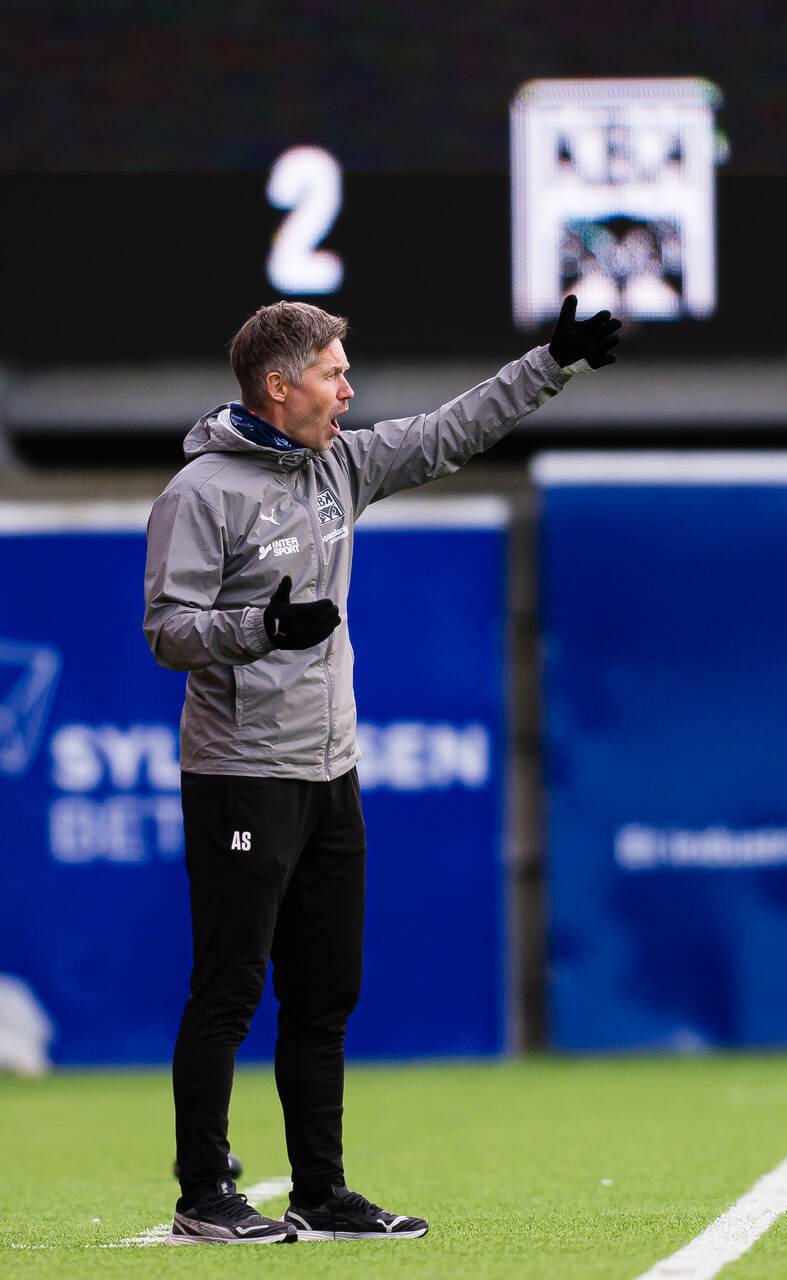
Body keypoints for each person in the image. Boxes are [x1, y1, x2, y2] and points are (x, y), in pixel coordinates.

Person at [143, 297, 620, 1244]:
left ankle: (320, 1193)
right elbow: (166, 631)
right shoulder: (199, 494)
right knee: (230, 987)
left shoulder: (340, 464)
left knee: (325, 994)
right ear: (279, 387)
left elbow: (450, 431)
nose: (348, 388)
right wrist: (261, 629)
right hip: (242, 774)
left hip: (331, 774)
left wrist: (552, 361)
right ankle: (205, 1196)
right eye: (332, 372)